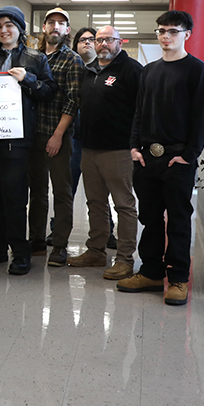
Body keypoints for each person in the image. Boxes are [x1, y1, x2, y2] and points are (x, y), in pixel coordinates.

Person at [117, 10, 204, 306]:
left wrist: (188, 155)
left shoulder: (198, 71)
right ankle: (150, 272)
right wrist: (134, 146)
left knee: (178, 219)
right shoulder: (150, 71)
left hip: (177, 160)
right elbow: (139, 112)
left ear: (187, 34)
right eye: (161, 31)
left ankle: (178, 279)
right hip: (147, 159)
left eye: (173, 31)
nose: (165, 36)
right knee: (150, 218)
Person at [0, 7, 56, 275]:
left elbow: (49, 92)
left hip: (17, 139)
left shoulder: (36, 58)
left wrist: (28, 80)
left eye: (9, 25)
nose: (3, 30)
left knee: (14, 195)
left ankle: (20, 252)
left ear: (20, 28)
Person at [67, 26, 142, 280]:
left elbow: (142, 111)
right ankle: (96, 250)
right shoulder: (90, 71)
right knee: (95, 203)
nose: (103, 44)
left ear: (120, 42)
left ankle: (124, 259)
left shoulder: (132, 71)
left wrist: (136, 144)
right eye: (98, 40)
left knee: (124, 205)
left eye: (109, 40)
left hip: (118, 150)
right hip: (89, 149)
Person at [27, 8, 84, 267]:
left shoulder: (72, 60)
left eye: (61, 24)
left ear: (67, 30)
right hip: (31, 136)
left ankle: (59, 245)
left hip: (57, 136)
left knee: (61, 192)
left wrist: (58, 135)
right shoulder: (32, 58)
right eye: (51, 23)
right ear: (44, 27)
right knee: (36, 191)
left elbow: (74, 101)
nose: (56, 27)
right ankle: (37, 241)